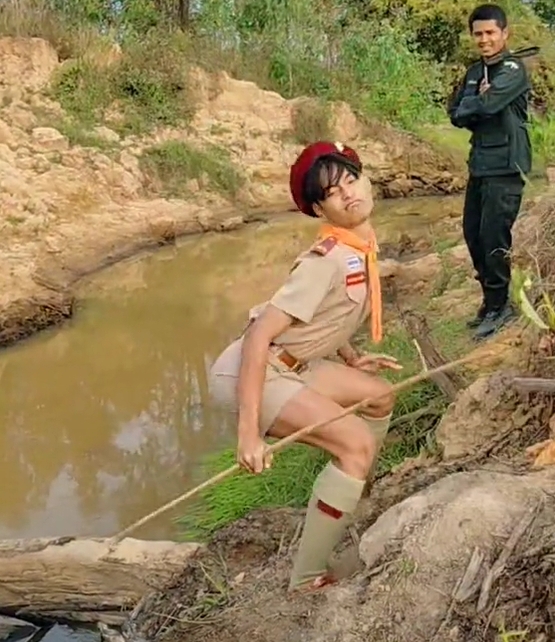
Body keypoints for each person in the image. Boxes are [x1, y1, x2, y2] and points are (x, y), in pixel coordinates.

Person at [208, 141, 401, 592]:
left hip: (295, 362)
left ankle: (353, 489)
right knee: (354, 442)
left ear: (366, 180)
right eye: (333, 193)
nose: (348, 193)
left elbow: (324, 312)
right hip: (253, 371)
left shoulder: (360, 245)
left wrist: (350, 357)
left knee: (379, 396)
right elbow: (259, 335)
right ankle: (308, 578)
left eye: (351, 180)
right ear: (319, 209)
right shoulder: (326, 259)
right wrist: (248, 435)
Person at [448, 3, 532, 341]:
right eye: (478, 34)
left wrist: (477, 105)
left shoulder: (513, 69)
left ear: (504, 33)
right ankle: (491, 302)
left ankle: (501, 307)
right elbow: (455, 113)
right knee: (473, 234)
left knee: (494, 236)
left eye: (490, 33)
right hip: (480, 164)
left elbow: (489, 104)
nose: (484, 39)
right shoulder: (473, 72)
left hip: (507, 165)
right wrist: (475, 105)